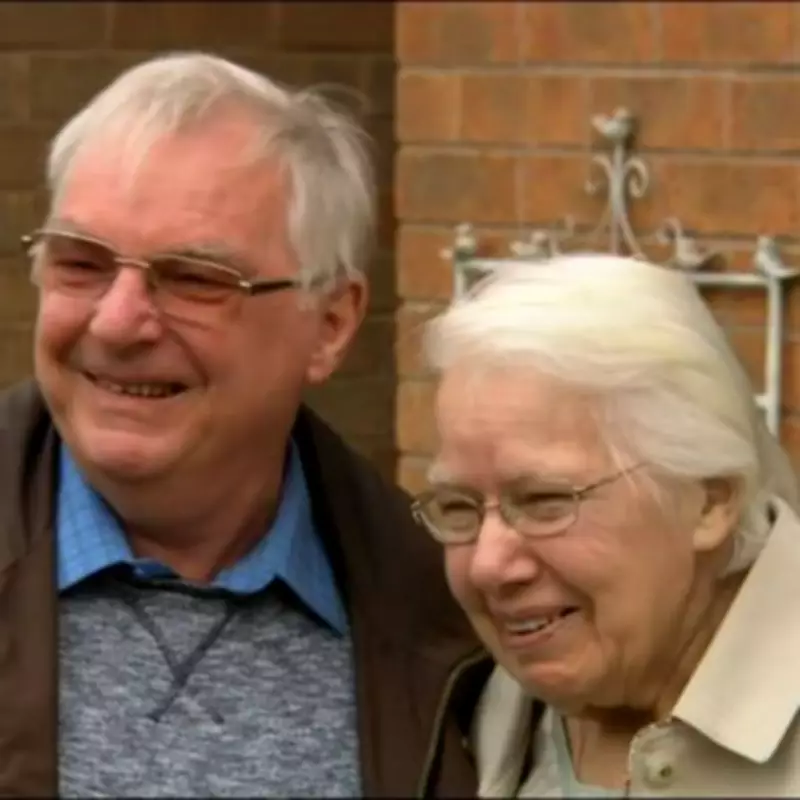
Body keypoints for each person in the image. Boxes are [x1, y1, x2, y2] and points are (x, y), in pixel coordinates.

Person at [0, 52, 479, 798]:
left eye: (194, 278)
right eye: (81, 263)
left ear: (329, 323)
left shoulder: (454, 626)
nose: (118, 320)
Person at [411, 253, 800, 796]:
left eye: (545, 501)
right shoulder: (469, 698)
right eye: (458, 507)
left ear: (707, 502)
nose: (488, 564)